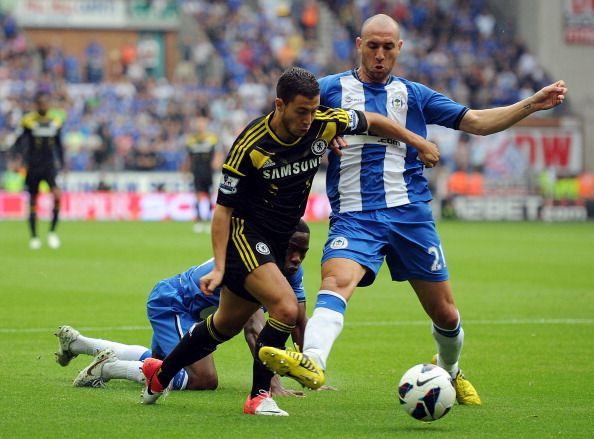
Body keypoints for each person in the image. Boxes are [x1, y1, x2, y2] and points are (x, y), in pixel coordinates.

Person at [262, 14, 567, 406]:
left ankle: (451, 371)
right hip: (355, 216)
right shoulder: (329, 90)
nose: (379, 55)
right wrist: (317, 141)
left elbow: (475, 122)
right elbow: (287, 123)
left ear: (399, 49)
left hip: (411, 215)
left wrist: (532, 104)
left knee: (447, 314)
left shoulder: (416, 95)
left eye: (388, 47)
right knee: (335, 283)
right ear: (358, 45)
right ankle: (314, 361)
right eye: (372, 46)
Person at [139, 66, 440, 416]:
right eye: (301, 111)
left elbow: (373, 120)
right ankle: (258, 397)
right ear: (279, 105)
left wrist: (417, 141)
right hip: (245, 234)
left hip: (279, 239)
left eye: (314, 110)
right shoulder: (250, 144)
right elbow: (222, 211)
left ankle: (159, 375)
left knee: (225, 324)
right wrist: (220, 266)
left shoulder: (324, 123)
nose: (309, 119)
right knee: (285, 307)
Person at [53, 220, 311, 397]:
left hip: (189, 311)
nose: (297, 258)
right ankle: (106, 368)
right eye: (291, 249)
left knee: (159, 363)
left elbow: (298, 322)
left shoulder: (291, 272)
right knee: (202, 379)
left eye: (303, 252)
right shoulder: (253, 265)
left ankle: (77, 344)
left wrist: (312, 374)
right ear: (277, 243)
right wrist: (270, 384)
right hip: (175, 304)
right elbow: (255, 328)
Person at [10, 90, 65, 250]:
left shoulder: (55, 120)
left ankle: (52, 232)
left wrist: (62, 163)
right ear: (36, 104)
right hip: (33, 165)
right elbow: (19, 142)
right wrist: (17, 160)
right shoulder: (28, 121)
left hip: (49, 166)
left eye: (46, 102)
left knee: (57, 195)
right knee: (33, 200)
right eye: (40, 103)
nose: (44, 105)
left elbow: (59, 145)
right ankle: (34, 236)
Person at [185, 116, 223, 233]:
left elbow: (218, 153)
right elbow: (189, 156)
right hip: (196, 169)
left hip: (208, 169)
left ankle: (209, 218)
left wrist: (217, 163)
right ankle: (199, 219)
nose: (200, 126)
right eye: (198, 124)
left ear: (206, 125)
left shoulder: (212, 138)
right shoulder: (191, 139)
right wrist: (186, 169)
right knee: (197, 193)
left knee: (210, 194)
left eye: (202, 124)